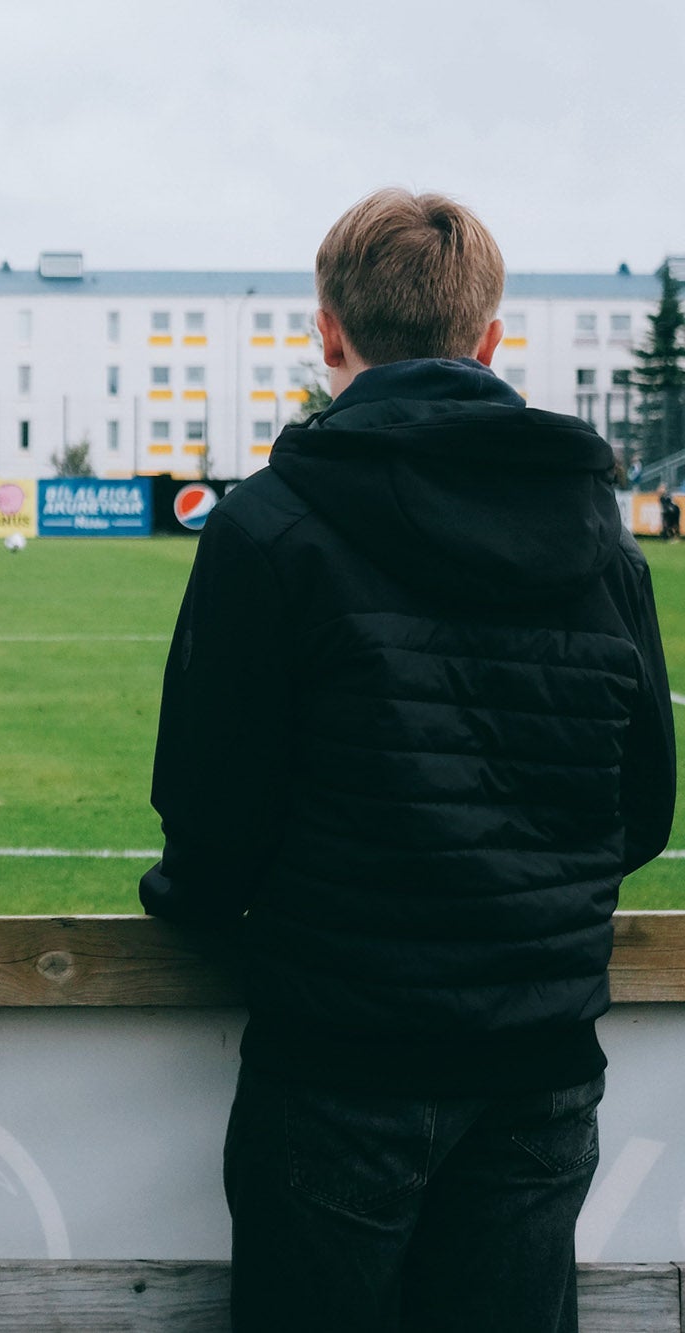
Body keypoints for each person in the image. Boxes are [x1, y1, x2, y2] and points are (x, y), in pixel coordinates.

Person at [140, 189, 675, 1333]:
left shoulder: (269, 523)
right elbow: (639, 810)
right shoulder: (598, 538)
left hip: (338, 1055)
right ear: (488, 341)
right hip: (533, 1062)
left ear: (326, 331)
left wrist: (194, 902)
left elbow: (209, 806)